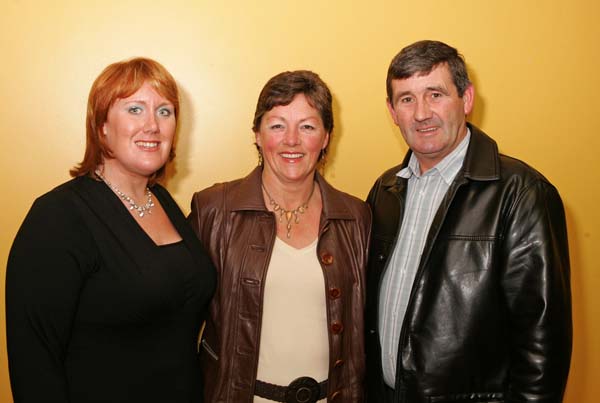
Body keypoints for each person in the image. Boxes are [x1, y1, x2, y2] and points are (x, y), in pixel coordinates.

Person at [365, 40, 572, 403]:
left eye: (435, 94)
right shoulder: (385, 191)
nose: (421, 113)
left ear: (467, 99)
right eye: (406, 99)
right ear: (391, 111)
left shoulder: (522, 193)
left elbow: (542, 344)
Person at [6, 57, 216, 403]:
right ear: (101, 125)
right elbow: (34, 361)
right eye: (135, 110)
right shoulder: (59, 216)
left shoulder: (163, 201)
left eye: (164, 112)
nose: (153, 125)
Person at [189, 70, 371, 403]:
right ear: (257, 134)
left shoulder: (356, 217)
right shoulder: (214, 211)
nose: (291, 140)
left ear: (327, 136)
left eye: (307, 126)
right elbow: (178, 321)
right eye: (277, 125)